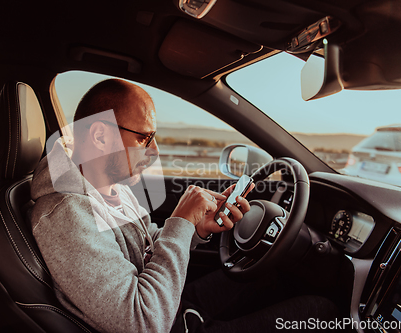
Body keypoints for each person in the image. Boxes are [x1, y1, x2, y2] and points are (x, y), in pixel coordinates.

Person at [30, 79, 338, 333]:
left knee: (274, 276)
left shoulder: (109, 187)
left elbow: (148, 249)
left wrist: (194, 229)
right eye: (145, 138)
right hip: (161, 319)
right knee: (319, 313)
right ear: (99, 135)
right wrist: (179, 223)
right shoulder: (67, 214)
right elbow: (143, 323)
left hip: (171, 304)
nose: (154, 152)